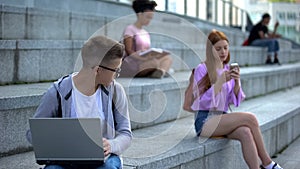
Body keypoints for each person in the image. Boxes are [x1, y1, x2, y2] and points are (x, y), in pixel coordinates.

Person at [26, 35, 132, 169]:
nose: (117, 75)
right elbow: (32, 134)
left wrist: (111, 145)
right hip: (67, 161)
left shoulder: (116, 91)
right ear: (98, 70)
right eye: (116, 70)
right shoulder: (58, 91)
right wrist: (56, 141)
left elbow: (126, 134)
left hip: (104, 160)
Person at [183, 30, 283, 169]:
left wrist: (236, 82)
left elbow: (234, 100)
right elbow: (200, 103)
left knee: (246, 132)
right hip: (205, 121)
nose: (223, 52)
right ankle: (267, 163)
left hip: (222, 118)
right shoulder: (202, 69)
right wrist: (220, 82)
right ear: (210, 50)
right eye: (218, 49)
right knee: (251, 118)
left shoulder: (227, 69)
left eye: (225, 47)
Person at [120, 0, 173, 78]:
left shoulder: (146, 33)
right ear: (140, 14)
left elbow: (147, 50)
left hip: (146, 60)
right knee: (153, 63)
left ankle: (160, 71)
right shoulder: (130, 29)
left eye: (151, 18)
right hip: (134, 63)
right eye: (147, 17)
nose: (149, 20)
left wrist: (155, 55)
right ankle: (160, 71)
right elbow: (129, 51)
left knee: (167, 58)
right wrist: (142, 59)